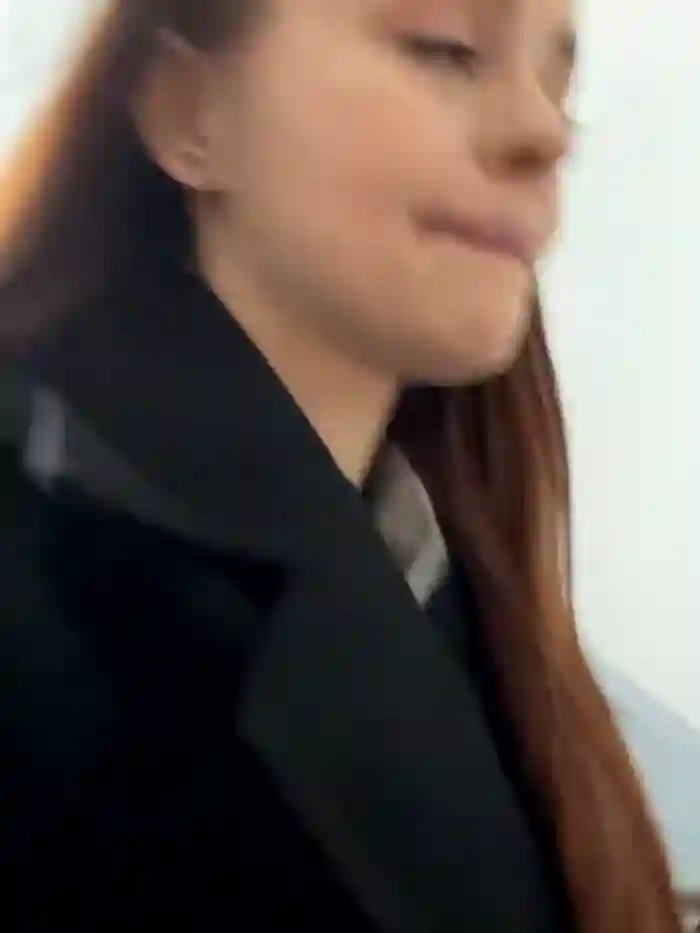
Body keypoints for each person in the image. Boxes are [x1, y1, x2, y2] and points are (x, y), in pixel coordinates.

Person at [0, 1, 682, 931]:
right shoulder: (42, 578)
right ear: (188, 111)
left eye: (557, 85)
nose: (544, 133)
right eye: (445, 49)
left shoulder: (474, 609)